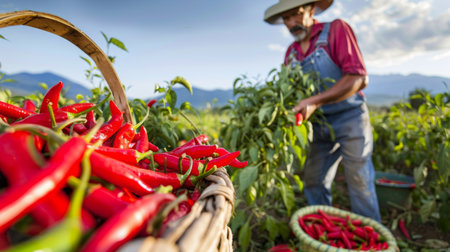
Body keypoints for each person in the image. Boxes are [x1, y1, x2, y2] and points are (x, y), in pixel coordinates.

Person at [264, 0, 381, 222]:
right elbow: (289, 92)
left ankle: (372, 238)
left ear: (311, 9)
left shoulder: (336, 29)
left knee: (359, 180)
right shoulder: (291, 53)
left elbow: (358, 78)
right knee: (313, 180)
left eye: (296, 14)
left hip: (350, 117)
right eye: (286, 19)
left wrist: (315, 101)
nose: (291, 23)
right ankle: (324, 231)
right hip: (318, 124)